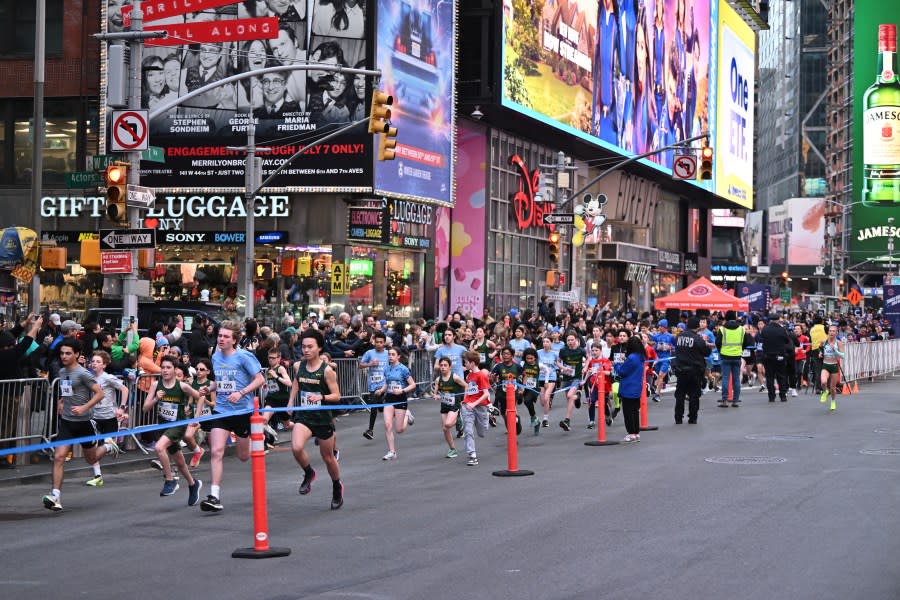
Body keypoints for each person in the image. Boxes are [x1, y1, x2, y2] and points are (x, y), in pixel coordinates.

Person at [42, 340, 121, 511]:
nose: (64, 356)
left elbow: (99, 394)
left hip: (84, 423)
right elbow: (67, 389)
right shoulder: (62, 372)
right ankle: (55, 496)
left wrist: (84, 407)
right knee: (59, 457)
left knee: (91, 459)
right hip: (68, 423)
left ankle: (108, 446)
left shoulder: (84, 373)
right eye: (62, 353)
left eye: (68, 353)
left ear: (77, 354)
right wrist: (62, 401)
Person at [198, 320, 264, 512]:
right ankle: (214, 496)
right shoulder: (216, 356)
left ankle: (259, 437)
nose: (221, 339)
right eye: (220, 335)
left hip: (242, 411)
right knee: (216, 451)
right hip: (222, 410)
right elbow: (219, 382)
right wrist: (207, 388)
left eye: (226, 336)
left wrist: (242, 393)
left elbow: (260, 379)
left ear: (234, 340)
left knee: (243, 456)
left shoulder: (244, 357)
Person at [288, 329, 344, 510]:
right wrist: (290, 402)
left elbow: (337, 395)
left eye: (310, 347)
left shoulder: (327, 371)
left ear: (319, 348)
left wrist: (322, 397)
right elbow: (296, 382)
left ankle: (337, 486)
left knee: (328, 457)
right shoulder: (298, 366)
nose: (305, 350)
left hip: (322, 418)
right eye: (303, 347)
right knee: (296, 447)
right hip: (304, 416)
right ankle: (308, 472)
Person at [143, 356, 203, 505]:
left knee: (159, 447)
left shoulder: (182, 386)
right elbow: (145, 408)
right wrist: (156, 398)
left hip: (178, 425)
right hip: (163, 426)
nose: (164, 370)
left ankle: (170, 480)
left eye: (168, 367)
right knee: (180, 462)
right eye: (162, 367)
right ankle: (193, 483)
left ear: (175, 370)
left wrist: (196, 417)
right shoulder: (156, 385)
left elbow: (200, 397)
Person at [84, 351, 128, 487]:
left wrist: (122, 408)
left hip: (109, 416)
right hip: (94, 417)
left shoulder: (108, 378)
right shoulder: (89, 378)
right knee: (93, 447)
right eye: (93, 361)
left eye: (98, 362)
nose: (94, 364)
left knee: (106, 445)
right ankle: (98, 476)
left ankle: (112, 446)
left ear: (104, 365)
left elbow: (125, 390)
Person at [379, 347, 416, 460]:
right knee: (387, 425)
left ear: (398, 356)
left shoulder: (403, 369)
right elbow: (387, 383)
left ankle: (406, 415)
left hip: (400, 398)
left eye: (393, 354)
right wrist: (381, 390)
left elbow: (413, 385)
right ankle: (392, 452)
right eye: (389, 354)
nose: (390, 356)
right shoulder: (386, 369)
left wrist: (402, 390)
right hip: (389, 398)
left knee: (399, 430)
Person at [673, 317, 711, 424]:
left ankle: (678, 417)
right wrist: (705, 342)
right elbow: (706, 352)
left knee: (680, 394)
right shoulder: (698, 338)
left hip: (681, 369)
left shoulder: (679, 337)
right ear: (697, 326)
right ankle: (693, 417)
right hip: (695, 370)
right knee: (694, 395)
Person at [460, 351, 491, 466]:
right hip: (468, 406)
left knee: (482, 432)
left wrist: (475, 403)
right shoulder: (469, 375)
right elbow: (469, 389)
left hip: (481, 406)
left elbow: (486, 394)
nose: (465, 364)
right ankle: (472, 455)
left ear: (472, 363)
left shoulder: (481, 375)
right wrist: (466, 400)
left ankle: (488, 415)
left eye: (466, 362)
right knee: (468, 430)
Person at [716, 312, 752, 408]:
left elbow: (718, 343)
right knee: (736, 379)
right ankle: (735, 401)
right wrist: (740, 350)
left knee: (725, 378)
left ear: (726, 318)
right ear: (735, 318)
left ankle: (724, 400)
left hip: (725, 355)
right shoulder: (741, 329)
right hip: (737, 356)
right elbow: (746, 342)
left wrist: (721, 350)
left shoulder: (722, 329)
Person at [433, 356, 466, 458]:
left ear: (450, 367)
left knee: (447, 424)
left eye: (445, 365)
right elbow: (435, 393)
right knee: (445, 429)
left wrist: (464, 398)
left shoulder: (455, 377)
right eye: (441, 365)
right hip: (444, 405)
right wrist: (436, 396)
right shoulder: (438, 379)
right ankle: (452, 449)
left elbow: (466, 385)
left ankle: (458, 417)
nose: (442, 367)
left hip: (454, 404)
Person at [615, 336, 645, 442]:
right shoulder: (641, 356)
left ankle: (631, 433)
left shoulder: (632, 357)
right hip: (637, 386)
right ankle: (636, 432)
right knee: (635, 411)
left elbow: (622, 371)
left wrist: (617, 364)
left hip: (628, 387)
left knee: (628, 412)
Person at [262, 348, 294, 444]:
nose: (270, 360)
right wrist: (266, 386)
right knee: (264, 420)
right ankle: (270, 437)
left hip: (282, 400)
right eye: (269, 358)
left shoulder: (280, 368)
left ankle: (304, 428)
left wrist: (276, 376)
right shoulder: (268, 370)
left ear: (279, 358)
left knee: (287, 425)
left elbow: (289, 383)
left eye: (273, 358)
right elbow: (270, 385)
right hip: (272, 399)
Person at [490, 345, 523, 436]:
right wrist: (492, 378)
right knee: (504, 414)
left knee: (509, 412)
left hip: (513, 392)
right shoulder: (498, 366)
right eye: (503, 354)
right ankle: (511, 431)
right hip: (501, 393)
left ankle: (515, 424)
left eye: (507, 354)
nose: (505, 356)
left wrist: (522, 387)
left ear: (512, 355)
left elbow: (524, 375)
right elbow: (492, 379)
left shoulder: (517, 366)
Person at [185, 358, 212, 468]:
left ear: (208, 372)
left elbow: (214, 403)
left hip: (208, 416)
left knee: (213, 448)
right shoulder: (193, 383)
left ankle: (215, 464)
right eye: (197, 369)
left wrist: (204, 399)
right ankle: (198, 451)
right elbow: (191, 401)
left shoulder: (211, 384)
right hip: (196, 416)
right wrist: (188, 407)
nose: (199, 371)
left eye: (202, 369)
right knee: (188, 435)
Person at [557, 332, 586, 432]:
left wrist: (585, 367)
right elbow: (557, 362)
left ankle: (567, 418)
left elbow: (589, 358)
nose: (570, 342)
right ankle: (567, 421)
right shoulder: (563, 351)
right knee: (569, 399)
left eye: (572, 340)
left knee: (570, 396)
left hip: (576, 378)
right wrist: (563, 368)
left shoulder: (581, 351)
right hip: (566, 378)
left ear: (576, 340)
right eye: (568, 340)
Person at [760, 314, 792, 403]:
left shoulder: (765, 329)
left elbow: (761, 339)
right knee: (781, 376)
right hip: (779, 356)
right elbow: (786, 340)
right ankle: (782, 395)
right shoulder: (781, 329)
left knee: (769, 377)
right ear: (778, 320)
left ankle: (771, 396)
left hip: (767, 355)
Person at [819, 325, 845, 411]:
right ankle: (825, 391)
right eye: (830, 331)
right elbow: (820, 349)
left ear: (836, 333)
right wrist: (820, 353)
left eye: (834, 331)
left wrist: (836, 351)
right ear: (828, 332)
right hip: (825, 365)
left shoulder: (839, 343)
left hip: (834, 366)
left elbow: (843, 355)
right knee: (823, 382)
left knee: (833, 388)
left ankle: (833, 401)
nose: (832, 333)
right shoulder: (824, 341)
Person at [536, 336, 558, 428]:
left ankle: (545, 419)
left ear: (551, 343)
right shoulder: (538, 353)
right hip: (541, 377)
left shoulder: (554, 354)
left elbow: (558, 364)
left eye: (547, 341)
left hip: (551, 377)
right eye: (544, 341)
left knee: (546, 397)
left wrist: (564, 369)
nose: (545, 343)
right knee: (542, 401)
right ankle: (547, 403)